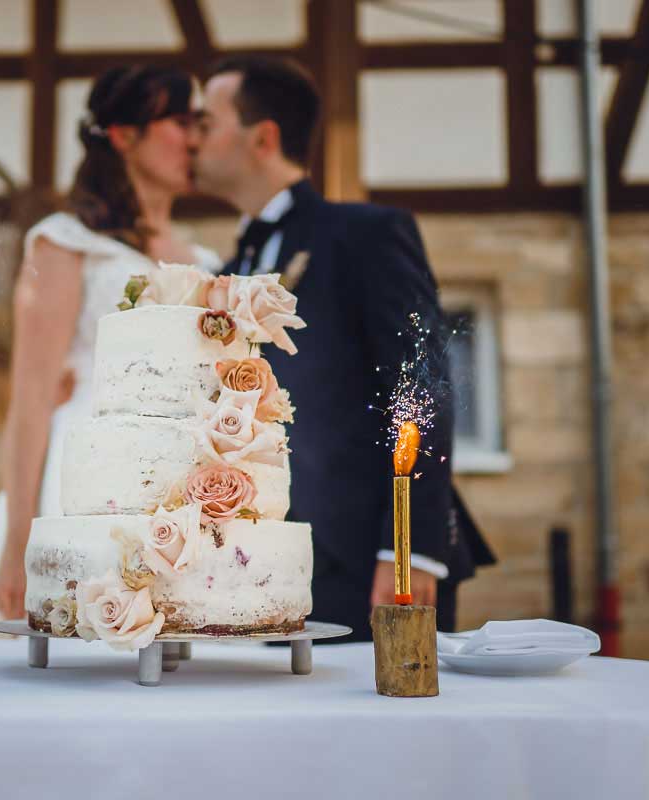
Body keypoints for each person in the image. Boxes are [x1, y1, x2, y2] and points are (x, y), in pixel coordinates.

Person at [191, 55, 495, 641]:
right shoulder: (230, 269)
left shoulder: (365, 234)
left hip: (363, 553)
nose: (195, 139)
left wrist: (409, 546)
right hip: (263, 557)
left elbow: (421, 383)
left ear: (263, 136)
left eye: (207, 123)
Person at [0, 65, 219, 636]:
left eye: (200, 124)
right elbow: (29, 401)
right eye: (179, 121)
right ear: (122, 134)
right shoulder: (65, 243)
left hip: (179, 494)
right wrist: (20, 539)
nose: (195, 139)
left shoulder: (209, 261)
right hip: (80, 480)